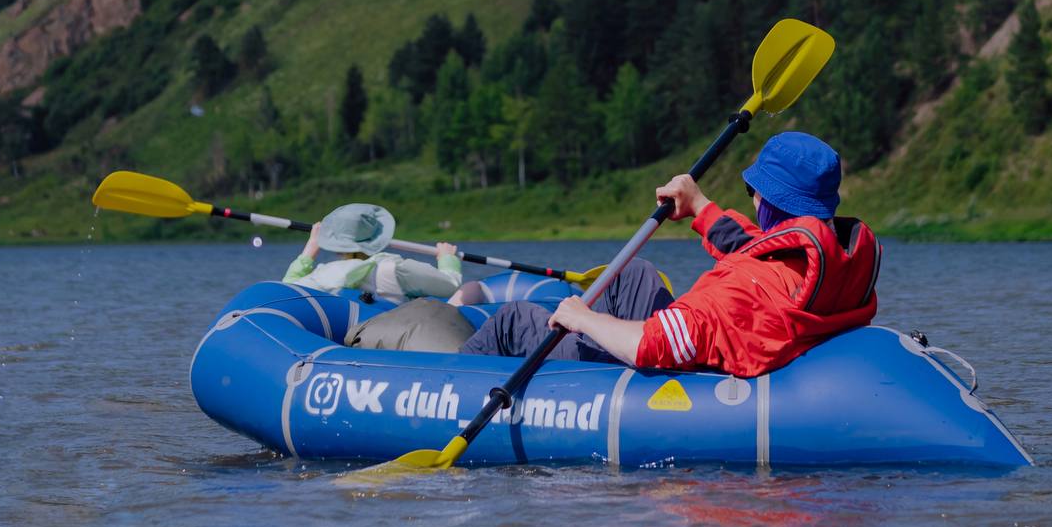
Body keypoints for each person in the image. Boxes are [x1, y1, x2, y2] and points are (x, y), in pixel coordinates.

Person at [459, 132, 882, 377]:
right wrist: (698, 206)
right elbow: (754, 248)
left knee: (513, 320)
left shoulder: (737, 294)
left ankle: (443, 387)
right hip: (738, 331)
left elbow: (650, 344)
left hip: (656, 366)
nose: (750, 198)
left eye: (754, 191)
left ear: (770, 200)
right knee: (636, 273)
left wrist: (581, 318)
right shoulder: (827, 267)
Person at [283, 203, 463, 303]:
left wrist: (311, 248)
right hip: (396, 341)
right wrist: (447, 259)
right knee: (470, 291)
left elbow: (286, 289)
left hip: (351, 344)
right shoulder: (396, 268)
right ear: (378, 239)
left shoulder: (323, 276)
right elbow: (450, 284)